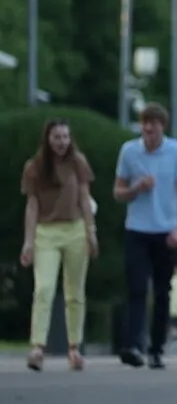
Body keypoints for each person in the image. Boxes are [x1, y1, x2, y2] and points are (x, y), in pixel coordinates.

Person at [113, 103, 177, 370]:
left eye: (154, 124)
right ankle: (133, 344)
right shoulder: (129, 151)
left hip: (165, 231)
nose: (148, 129)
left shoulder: (176, 151)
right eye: (145, 124)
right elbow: (118, 192)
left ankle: (156, 348)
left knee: (162, 292)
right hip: (137, 228)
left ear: (163, 127)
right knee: (136, 288)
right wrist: (136, 187)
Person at [19, 118, 98, 372]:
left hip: (75, 229)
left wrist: (91, 232)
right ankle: (37, 347)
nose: (62, 142)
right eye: (57, 137)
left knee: (75, 292)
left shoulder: (78, 162)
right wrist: (28, 242)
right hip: (46, 232)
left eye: (65, 137)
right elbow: (31, 206)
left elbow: (85, 199)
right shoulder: (34, 167)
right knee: (44, 288)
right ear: (48, 139)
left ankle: (74, 348)